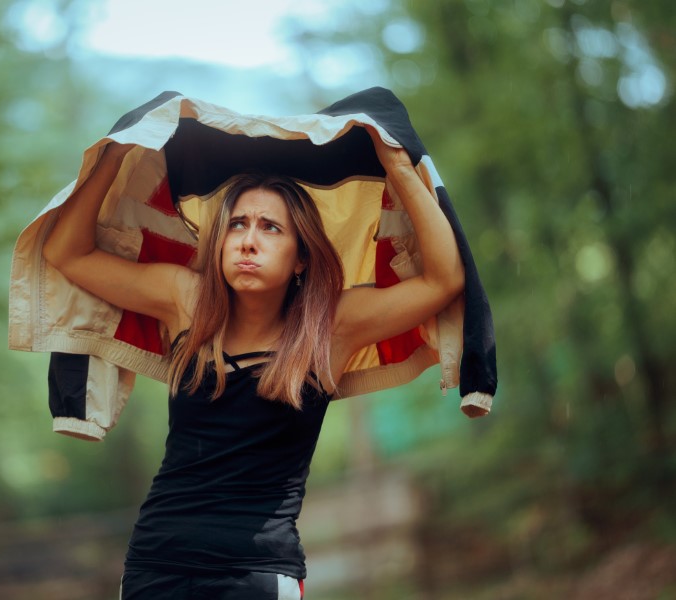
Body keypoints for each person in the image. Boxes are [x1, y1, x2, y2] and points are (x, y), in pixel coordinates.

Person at [42, 126, 465, 599]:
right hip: (156, 563)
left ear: (301, 256)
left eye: (271, 228)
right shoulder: (187, 300)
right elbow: (67, 252)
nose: (248, 241)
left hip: (259, 573)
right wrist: (117, 154)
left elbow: (442, 280)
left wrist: (399, 168)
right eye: (237, 225)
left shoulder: (333, 326)